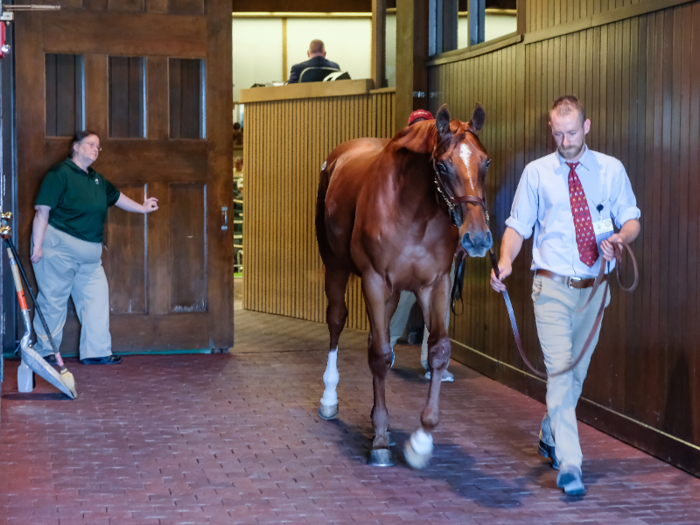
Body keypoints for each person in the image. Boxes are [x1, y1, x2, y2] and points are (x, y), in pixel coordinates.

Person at [490, 96, 641, 495]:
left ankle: (550, 433)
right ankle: (571, 462)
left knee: (574, 376)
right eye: (557, 132)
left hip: (595, 290)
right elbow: (517, 226)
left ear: (586, 127)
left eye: (571, 132)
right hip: (551, 286)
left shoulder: (611, 170)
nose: (564, 139)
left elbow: (631, 218)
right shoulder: (537, 173)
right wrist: (505, 260)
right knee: (559, 371)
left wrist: (620, 240)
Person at [31, 130, 159, 365]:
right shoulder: (60, 174)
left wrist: (142, 208)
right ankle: (45, 351)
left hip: (90, 255)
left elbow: (117, 197)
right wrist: (37, 246)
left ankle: (97, 351)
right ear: (76, 147)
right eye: (90, 144)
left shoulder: (97, 179)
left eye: (98, 147)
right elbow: (42, 211)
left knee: (97, 299)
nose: (95, 149)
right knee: (53, 299)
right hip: (59, 248)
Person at [388, 109, 455, 383]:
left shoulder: (443, 164)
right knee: (400, 300)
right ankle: (387, 347)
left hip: (433, 250)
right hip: (405, 250)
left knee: (439, 306)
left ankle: (435, 362)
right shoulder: (397, 166)